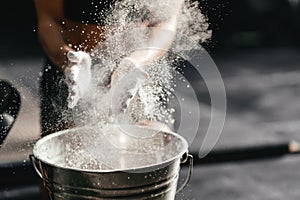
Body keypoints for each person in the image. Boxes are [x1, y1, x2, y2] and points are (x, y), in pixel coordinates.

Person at [34, 0, 184, 137]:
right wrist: (68, 59)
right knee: (66, 149)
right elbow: (49, 20)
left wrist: (137, 61)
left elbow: (164, 23)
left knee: (155, 148)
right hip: (74, 71)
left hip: (139, 69)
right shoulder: (71, 65)